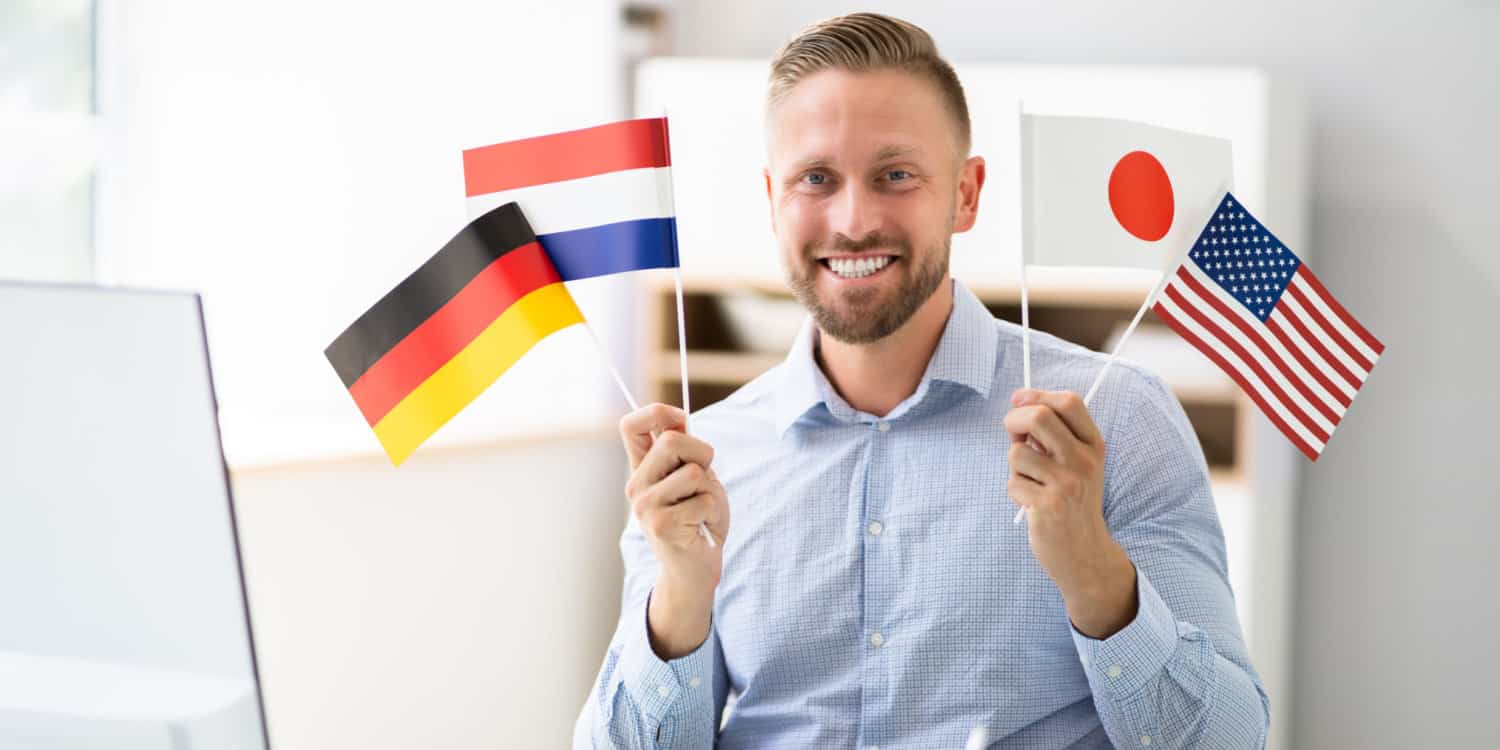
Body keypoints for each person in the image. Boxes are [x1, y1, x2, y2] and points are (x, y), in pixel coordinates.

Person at [575, 12, 1268, 749]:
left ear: (966, 194)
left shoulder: (1118, 421)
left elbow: (1228, 741)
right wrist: (679, 594)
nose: (853, 220)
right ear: (773, 199)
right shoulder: (699, 465)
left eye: (895, 175)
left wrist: (1094, 571)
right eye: (817, 179)